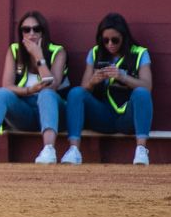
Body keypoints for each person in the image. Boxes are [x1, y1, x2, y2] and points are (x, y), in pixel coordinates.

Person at [0, 10, 68, 164]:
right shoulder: (14, 50)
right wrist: (29, 90)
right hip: (25, 113)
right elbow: (7, 85)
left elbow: (53, 84)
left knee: (46, 93)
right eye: (26, 29)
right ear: (21, 33)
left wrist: (39, 57)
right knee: (0, 93)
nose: (31, 33)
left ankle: (49, 149)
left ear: (43, 32)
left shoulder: (58, 51)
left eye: (36, 29)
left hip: (53, 114)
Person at [62, 13, 154, 165]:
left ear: (124, 37)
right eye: (105, 40)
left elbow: (147, 86)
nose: (110, 44)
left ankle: (141, 150)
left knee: (141, 93)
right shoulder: (95, 52)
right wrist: (93, 81)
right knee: (76, 93)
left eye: (115, 40)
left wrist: (123, 77)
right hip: (103, 114)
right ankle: (74, 150)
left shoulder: (139, 53)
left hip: (127, 116)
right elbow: (84, 88)